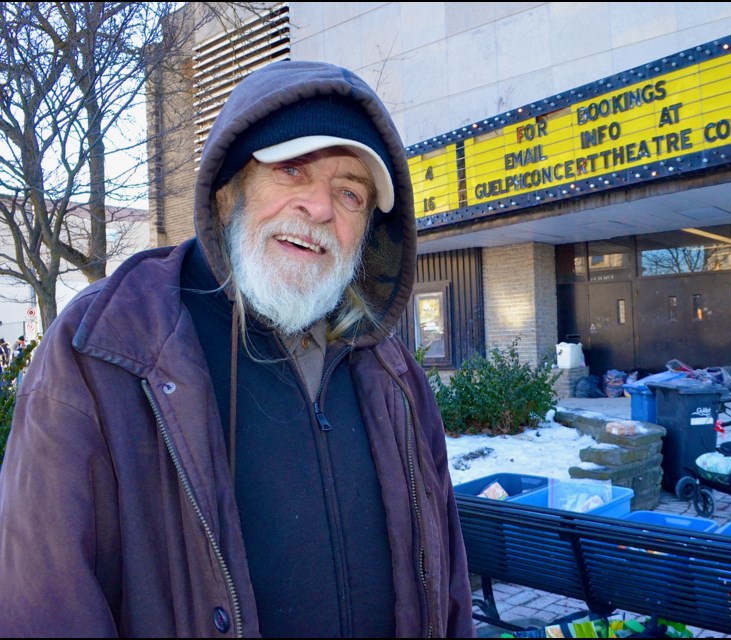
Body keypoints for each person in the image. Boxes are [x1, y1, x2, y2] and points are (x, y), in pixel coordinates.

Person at [0, 60, 476, 637]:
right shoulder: (103, 351)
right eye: (293, 169)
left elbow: (446, 591)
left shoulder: (394, 375)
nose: (320, 208)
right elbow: (46, 606)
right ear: (229, 189)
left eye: (349, 193)